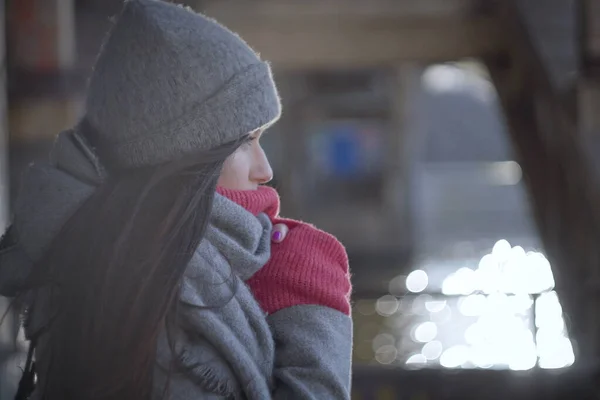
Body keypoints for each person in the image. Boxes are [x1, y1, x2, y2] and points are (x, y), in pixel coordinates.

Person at [0, 0, 353, 399]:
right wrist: (309, 310)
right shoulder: (170, 304)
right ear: (184, 160)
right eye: (244, 143)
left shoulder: (118, 260)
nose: (264, 170)